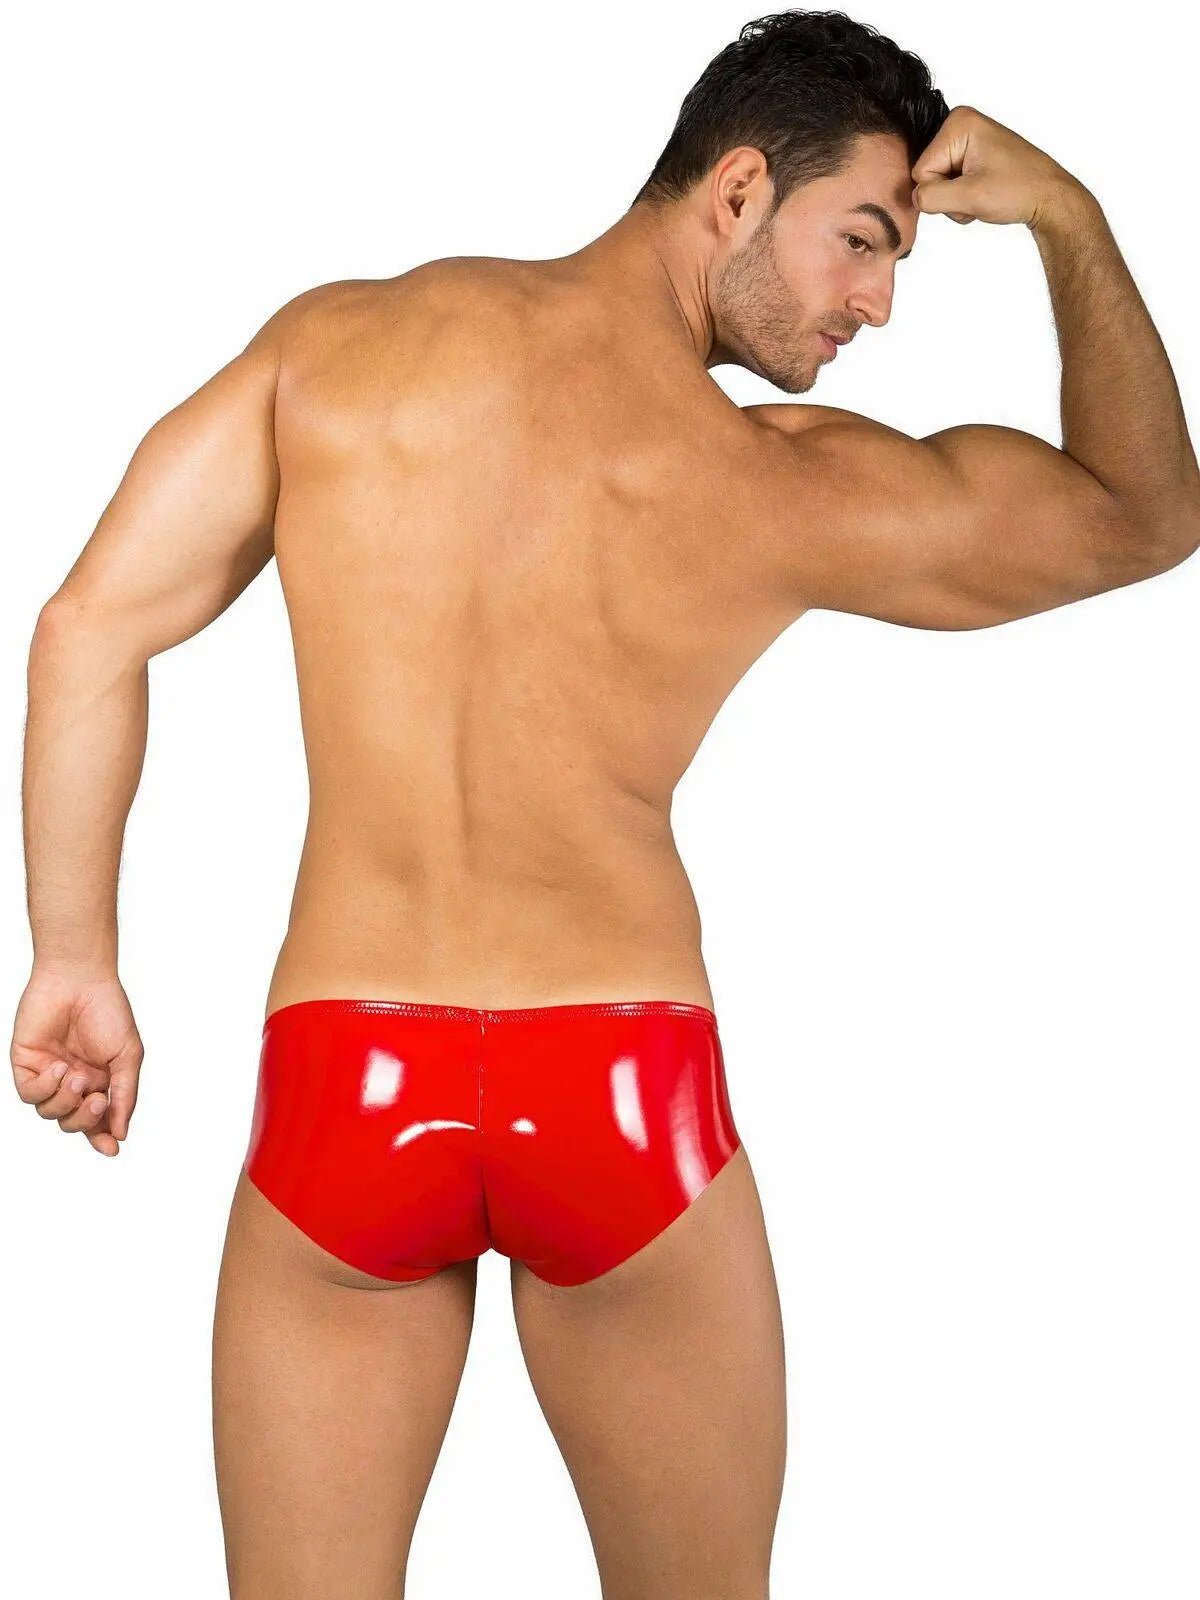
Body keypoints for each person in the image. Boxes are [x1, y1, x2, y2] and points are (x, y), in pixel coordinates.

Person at [12, 8, 1199, 1597]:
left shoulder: (338, 352)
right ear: (736, 189)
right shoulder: (777, 477)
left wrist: (74, 958)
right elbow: (1142, 515)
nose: (878, 303)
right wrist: (1073, 219)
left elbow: (90, 626)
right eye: (863, 240)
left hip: (348, 1084)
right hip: (621, 1097)